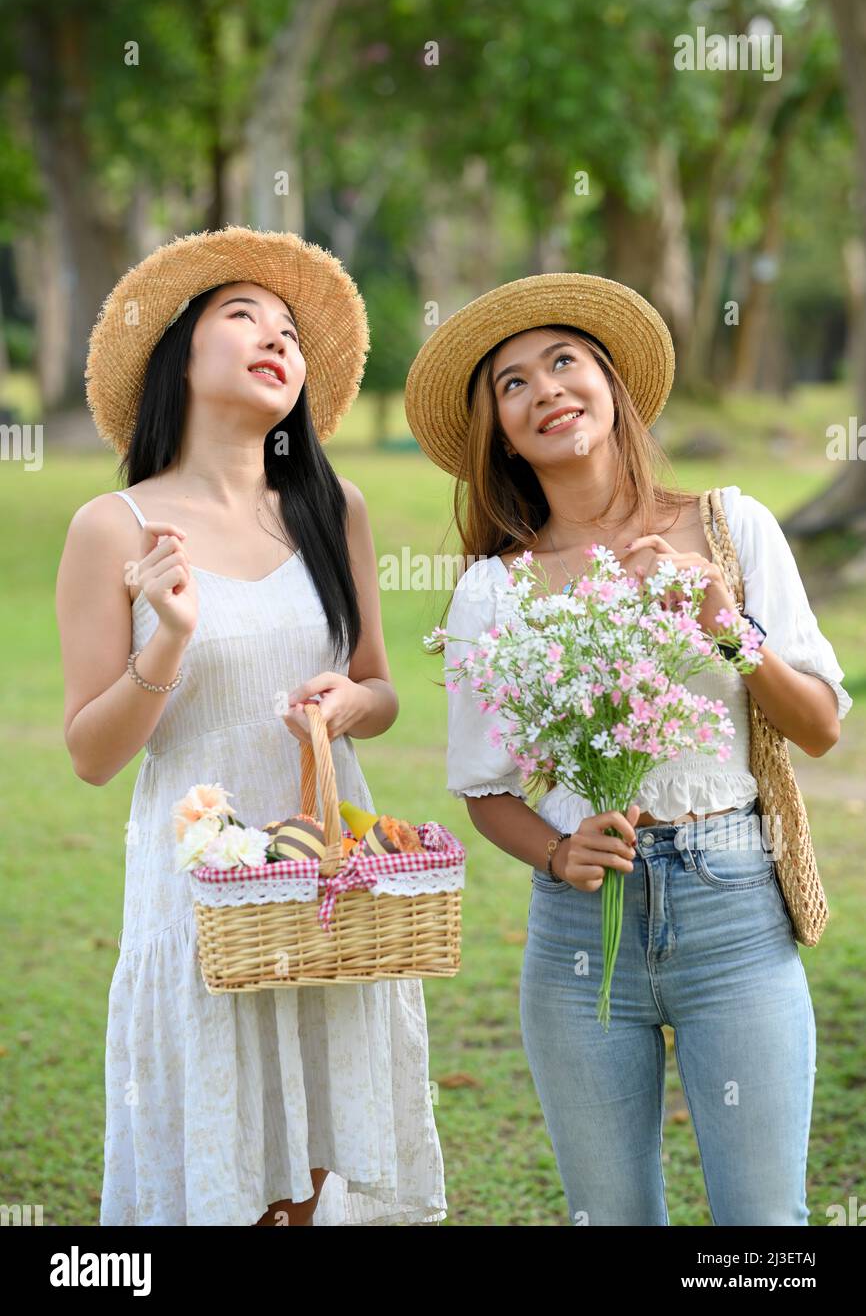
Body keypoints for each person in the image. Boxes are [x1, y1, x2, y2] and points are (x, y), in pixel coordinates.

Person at [405, 271, 852, 1226]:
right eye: (512, 385)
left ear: (610, 384)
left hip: (733, 909)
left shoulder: (732, 527)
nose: (545, 390)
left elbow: (819, 724)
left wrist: (727, 625)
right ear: (501, 432)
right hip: (580, 941)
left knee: (764, 1230)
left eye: (562, 361)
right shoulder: (495, 592)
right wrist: (559, 851)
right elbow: (486, 791)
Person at [57, 225, 446, 1227]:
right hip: (199, 896)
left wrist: (345, 703)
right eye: (242, 318)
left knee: (319, 1171)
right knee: (230, 1176)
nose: (276, 338)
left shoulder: (331, 506)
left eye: (289, 331)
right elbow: (93, 754)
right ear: (177, 354)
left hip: (328, 877)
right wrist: (169, 640)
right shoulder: (114, 526)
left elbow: (380, 689)